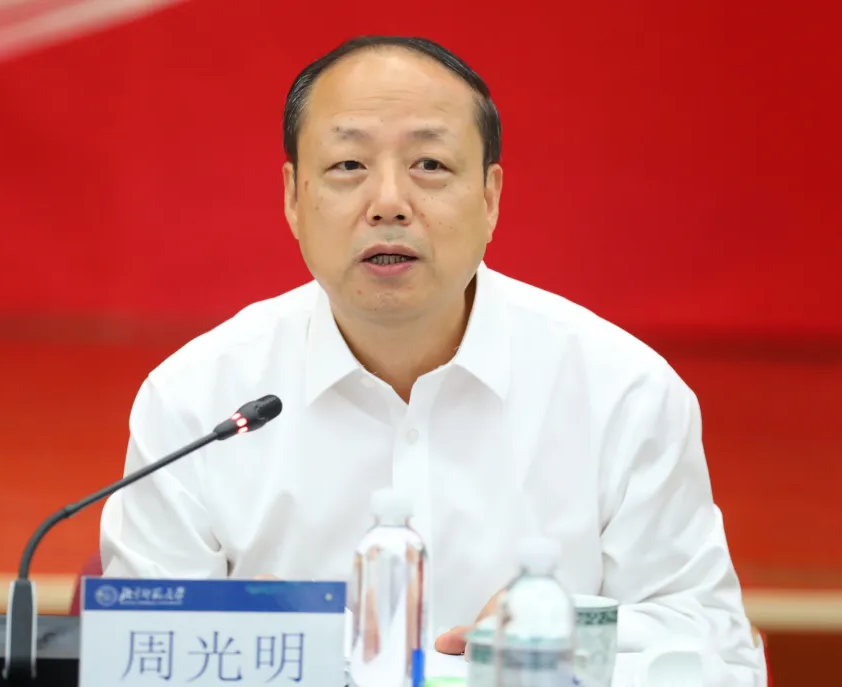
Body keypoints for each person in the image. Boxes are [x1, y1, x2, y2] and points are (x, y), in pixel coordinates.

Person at [100, 36, 765, 683]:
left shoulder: (624, 393)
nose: (389, 203)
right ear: (293, 198)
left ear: (490, 197)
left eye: (430, 165)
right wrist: (246, 642)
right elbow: (134, 655)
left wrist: (572, 643)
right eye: (348, 165)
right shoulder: (193, 401)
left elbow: (720, 655)